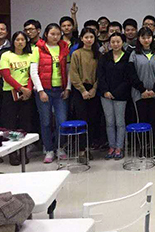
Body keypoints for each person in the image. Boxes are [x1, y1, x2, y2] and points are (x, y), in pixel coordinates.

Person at [29, 23, 71, 163]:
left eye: (58, 34)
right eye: (52, 34)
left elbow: (68, 70)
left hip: (60, 90)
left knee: (62, 121)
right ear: (46, 34)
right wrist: (40, 90)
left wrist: (68, 88)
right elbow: (33, 72)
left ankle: (60, 147)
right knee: (46, 121)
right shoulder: (38, 49)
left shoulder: (64, 48)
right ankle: (48, 149)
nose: (55, 37)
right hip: (44, 90)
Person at [0, 31, 33, 165]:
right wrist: (21, 88)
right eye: (17, 40)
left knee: (25, 123)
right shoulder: (6, 55)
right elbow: (6, 75)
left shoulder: (30, 55)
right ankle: (12, 154)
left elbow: (31, 74)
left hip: (26, 94)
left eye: (22, 40)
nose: (20, 42)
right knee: (10, 124)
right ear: (13, 42)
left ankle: (23, 152)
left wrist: (28, 89)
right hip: (10, 93)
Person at [128, 27, 155, 157]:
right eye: (143, 37)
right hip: (139, 94)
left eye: (148, 37)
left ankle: (152, 147)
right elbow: (131, 74)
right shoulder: (134, 54)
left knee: (154, 120)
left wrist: (154, 90)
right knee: (141, 120)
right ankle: (143, 147)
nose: (146, 40)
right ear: (139, 39)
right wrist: (142, 90)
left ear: (152, 38)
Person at [97, 32, 131, 160]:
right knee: (109, 122)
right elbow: (100, 75)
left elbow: (128, 78)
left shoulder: (127, 57)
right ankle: (111, 146)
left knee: (120, 122)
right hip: (105, 95)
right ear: (109, 43)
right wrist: (105, 91)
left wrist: (116, 92)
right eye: (113, 42)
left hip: (121, 95)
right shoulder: (104, 57)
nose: (115, 44)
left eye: (118, 42)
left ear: (123, 43)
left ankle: (119, 147)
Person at [69, 28, 101, 160]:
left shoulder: (98, 55)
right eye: (86, 37)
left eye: (91, 37)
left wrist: (94, 89)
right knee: (81, 120)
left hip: (94, 90)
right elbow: (73, 73)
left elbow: (101, 74)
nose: (89, 40)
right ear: (81, 38)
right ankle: (81, 150)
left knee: (92, 120)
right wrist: (82, 90)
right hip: (80, 90)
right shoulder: (76, 54)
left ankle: (88, 148)